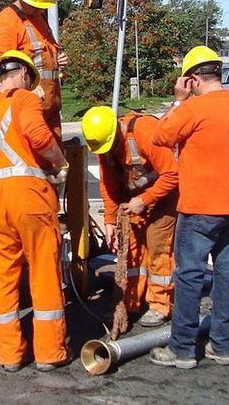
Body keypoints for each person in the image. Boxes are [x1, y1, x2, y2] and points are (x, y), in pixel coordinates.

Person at [149, 45, 229, 369]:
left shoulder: (192, 109)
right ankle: (222, 347)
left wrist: (179, 100)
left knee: (189, 276)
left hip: (200, 208)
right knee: (225, 274)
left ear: (193, 79)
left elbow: (160, 136)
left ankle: (182, 349)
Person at [0, 50, 70, 373]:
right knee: (42, 271)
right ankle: (49, 353)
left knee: (2, 277)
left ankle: (10, 355)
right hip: (30, 200)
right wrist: (59, 161)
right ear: (24, 75)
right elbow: (39, 137)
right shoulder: (25, 100)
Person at [82, 105, 179, 328]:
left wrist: (145, 200)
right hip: (134, 200)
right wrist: (109, 221)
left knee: (158, 247)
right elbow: (109, 186)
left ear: (117, 130)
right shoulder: (104, 146)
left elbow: (173, 173)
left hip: (164, 196)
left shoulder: (144, 131)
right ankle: (131, 301)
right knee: (132, 252)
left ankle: (159, 304)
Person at [0, 0, 68, 142]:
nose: (41, 9)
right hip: (29, 111)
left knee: (55, 163)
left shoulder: (38, 18)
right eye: (37, 5)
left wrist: (58, 58)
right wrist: (25, 91)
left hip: (51, 110)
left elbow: (48, 50)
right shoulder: (6, 22)